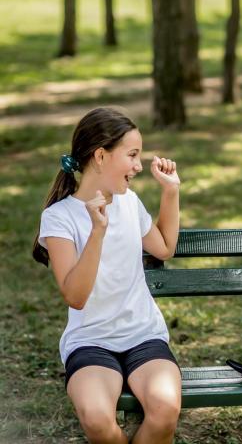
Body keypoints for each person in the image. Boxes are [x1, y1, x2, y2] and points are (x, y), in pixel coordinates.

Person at [32, 107, 183, 444]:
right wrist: (97, 232)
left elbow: (164, 247)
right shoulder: (59, 218)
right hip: (90, 342)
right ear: (100, 156)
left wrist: (170, 192)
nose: (139, 166)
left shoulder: (129, 203)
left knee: (165, 409)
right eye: (132, 155)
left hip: (144, 336)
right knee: (99, 420)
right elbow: (76, 296)